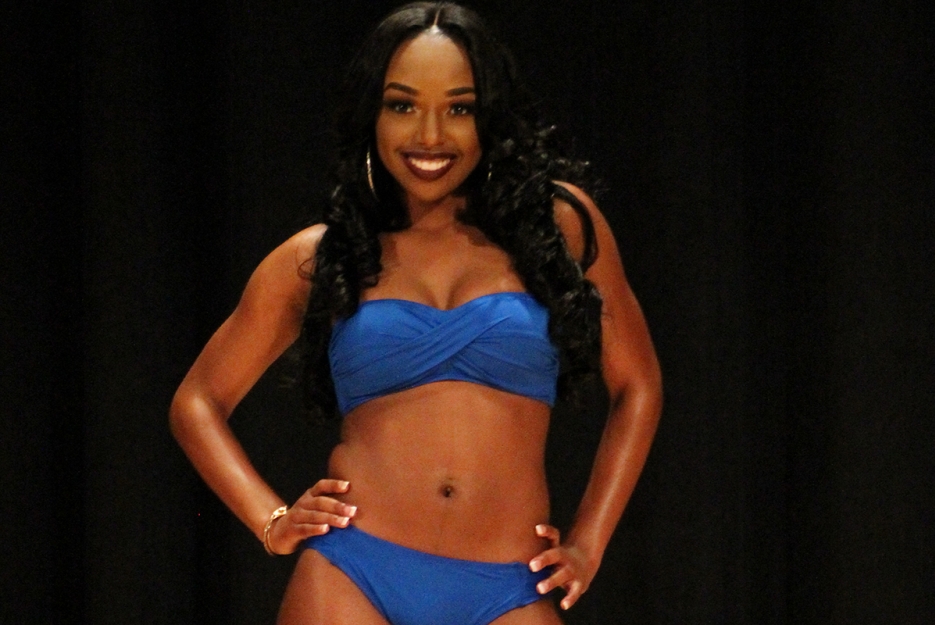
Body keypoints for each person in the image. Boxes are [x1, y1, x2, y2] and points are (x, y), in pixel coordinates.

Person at [169, 3, 661, 624]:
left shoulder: (558, 228)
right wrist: (272, 519)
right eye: (402, 106)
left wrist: (589, 543)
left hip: (508, 585)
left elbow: (638, 385)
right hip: (353, 576)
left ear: (490, 116)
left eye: (459, 108)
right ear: (371, 115)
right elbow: (197, 401)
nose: (430, 136)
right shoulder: (322, 257)